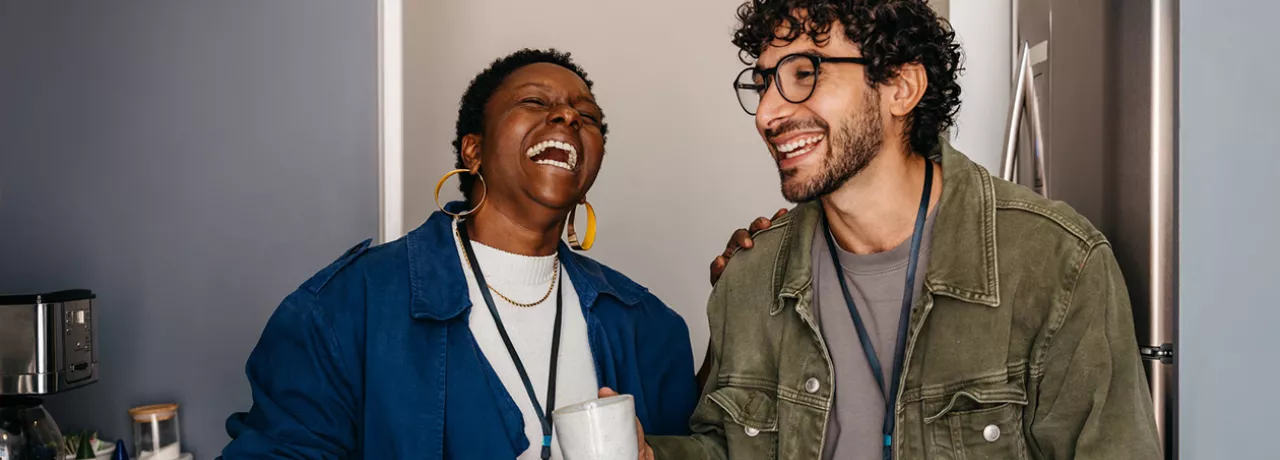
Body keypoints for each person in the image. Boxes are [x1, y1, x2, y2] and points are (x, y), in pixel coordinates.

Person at [644, 1, 1163, 459]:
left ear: (900, 87)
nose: (767, 113)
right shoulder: (749, 279)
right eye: (762, 83)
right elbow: (724, 448)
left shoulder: (1057, 265)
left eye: (804, 73)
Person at [220, 49, 698, 459]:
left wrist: (744, 302)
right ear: (473, 150)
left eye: (586, 116)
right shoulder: (344, 310)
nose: (569, 117)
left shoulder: (650, 328)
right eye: (535, 102)